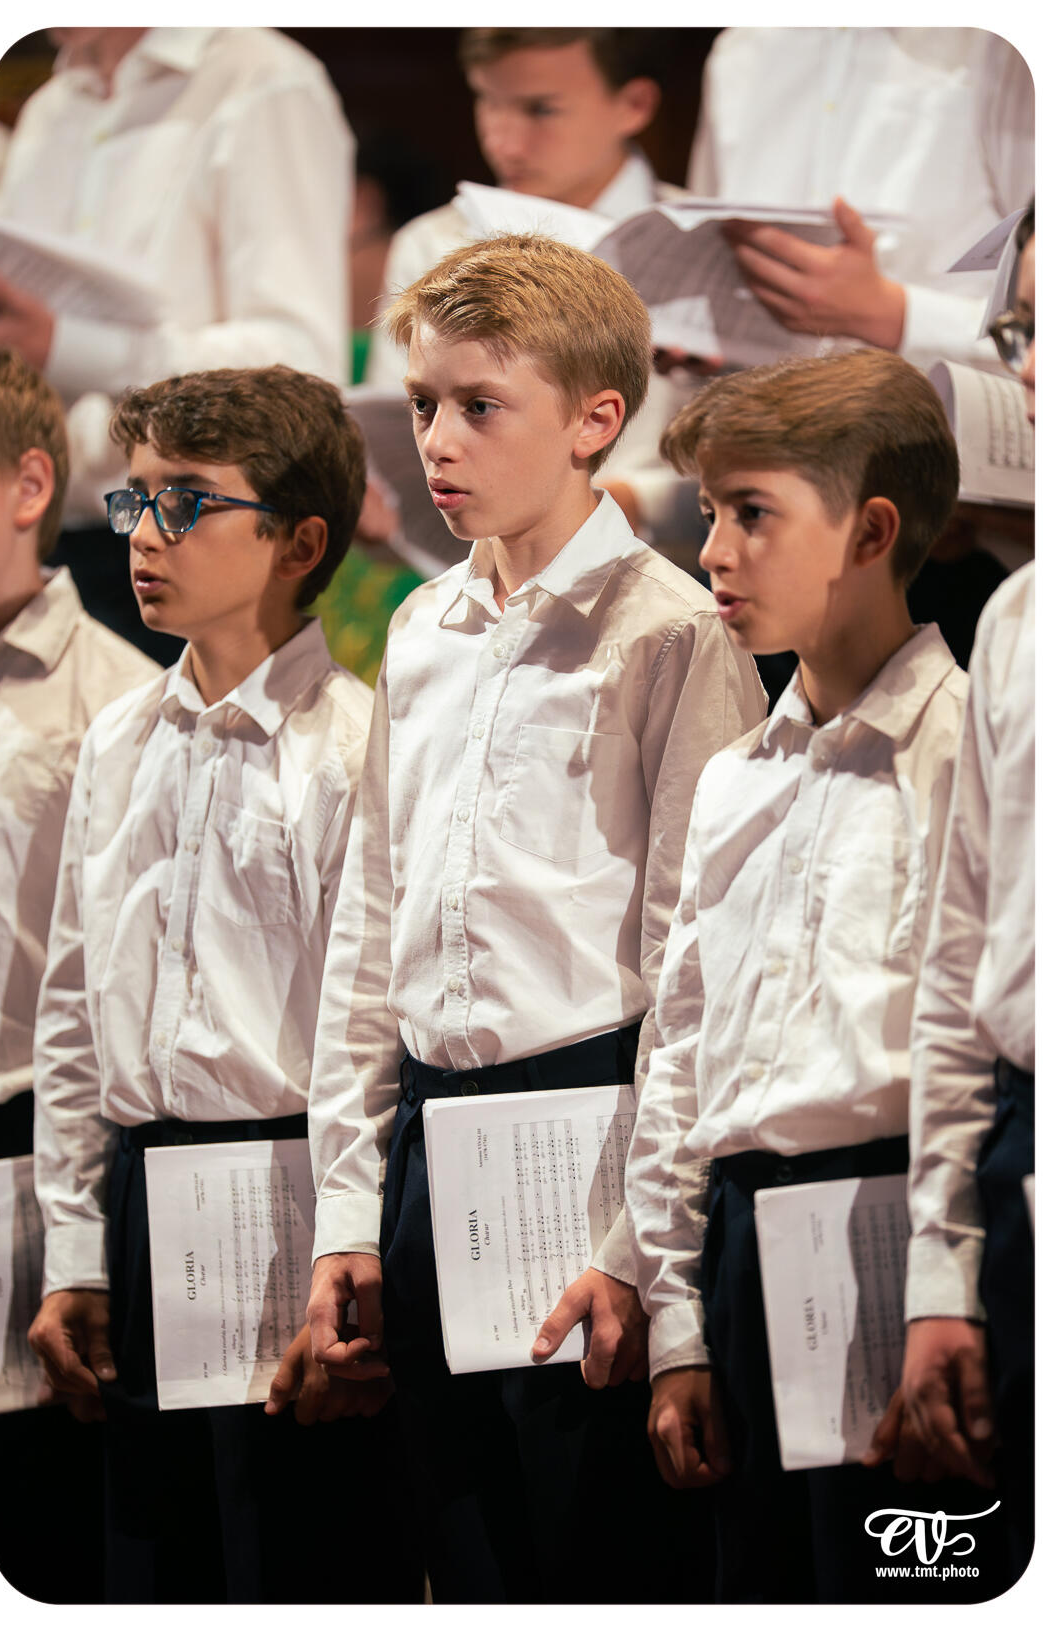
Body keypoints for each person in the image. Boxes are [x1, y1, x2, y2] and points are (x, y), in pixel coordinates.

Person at [305, 232, 766, 1603]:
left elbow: (693, 962)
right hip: (427, 1135)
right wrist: (346, 1210)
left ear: (594, 421)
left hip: (588, 1132)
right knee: (457, 1549)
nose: (436, 441)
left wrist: (640, 1246)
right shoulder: (420, 628)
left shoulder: (668, 630)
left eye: (478, 407)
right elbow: (369, 925)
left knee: (590, 1554)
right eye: (425, 405)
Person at [26, 365, 421, 1605]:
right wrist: (77, 1252)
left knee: (299, 1563)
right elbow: (77, 1014)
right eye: (136, 501)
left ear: (303, 540)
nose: (142, 536)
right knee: (154, 1571)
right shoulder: (115, 737)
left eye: (187, 505)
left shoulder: (351, 745)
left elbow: (368, 1039)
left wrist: (346, 1255)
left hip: (289, 1203)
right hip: (148, 1199)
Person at [625, 349, 1012, 1603]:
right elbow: (679, 1053)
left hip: (903, 1233)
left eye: (752, 513)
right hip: (745, 1251)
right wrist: (679, 1319)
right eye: (705, 516)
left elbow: (965, 1042)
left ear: (873, 530)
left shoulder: (960, 747)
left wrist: (949, 1291)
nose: (714, 554)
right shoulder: (737, 777)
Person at [0, 26, 355, 659]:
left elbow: (301, 364)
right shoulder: (55, 103)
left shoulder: (263, 79)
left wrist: (67, 347)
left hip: (189, 541)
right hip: (41, 544)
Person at [0, 347, 158, 1602]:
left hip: (22, 1162)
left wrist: (77, 1245)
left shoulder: (116, 703)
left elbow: (105, 1007)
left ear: (26, 482)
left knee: (32, 1531)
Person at [901, 201, 1035, 1589]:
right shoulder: (1018, 617)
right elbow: (956, 958)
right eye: (1018, 331)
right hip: (1017, 1140)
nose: (1027, 369)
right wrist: (940, 1275)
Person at [365, 28, 702, 562]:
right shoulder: (431, 243)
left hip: (669, 582)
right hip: (475, 590)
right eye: (488, 101)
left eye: (540, 110)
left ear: (634, 104)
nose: (504, 142)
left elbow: (750, 460)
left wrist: (633, 502)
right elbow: (396, 454)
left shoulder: (703, 244)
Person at [688, 28, 1034, 373]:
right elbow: (705, 239)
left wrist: (897, 315)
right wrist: (693, 336)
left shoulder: (1001, 49)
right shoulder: (741, 50)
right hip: (756, 410)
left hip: (933, 416)